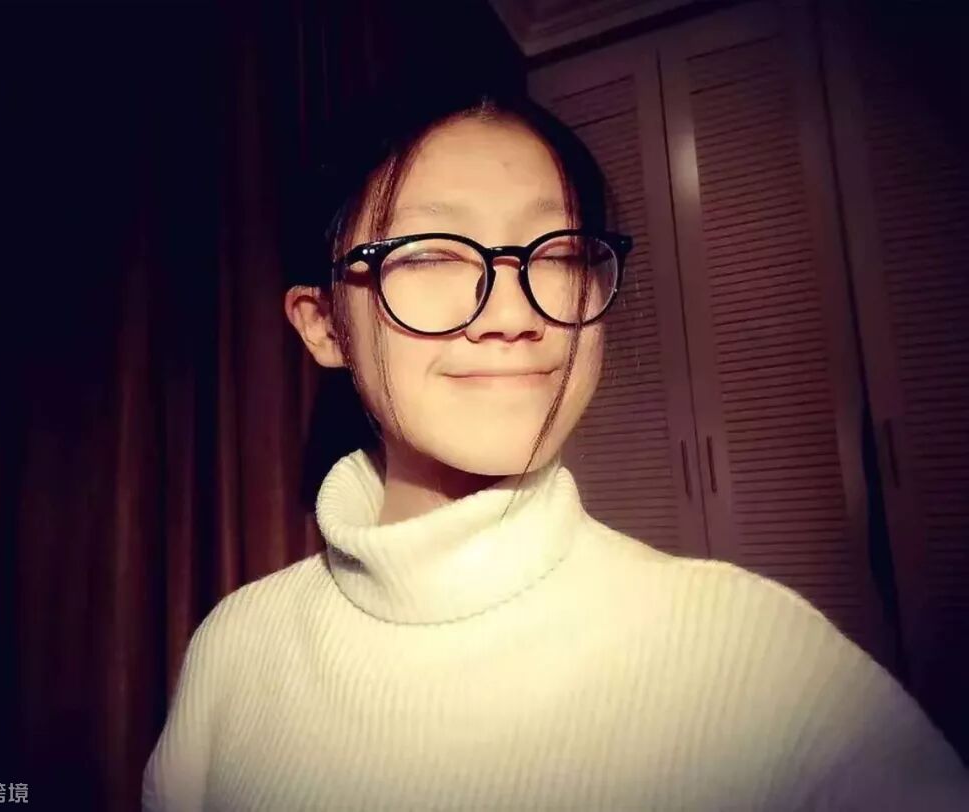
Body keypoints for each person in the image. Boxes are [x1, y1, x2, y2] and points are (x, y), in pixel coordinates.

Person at [141, 84, 969, 810]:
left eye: (560, 253)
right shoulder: (234, 654)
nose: (513, 313)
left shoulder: (751, 654)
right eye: (429, 255)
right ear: (323, 324)